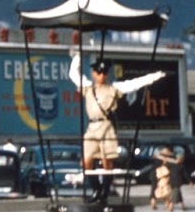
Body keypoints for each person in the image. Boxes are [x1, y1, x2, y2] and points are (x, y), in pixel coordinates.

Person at [67, 54, 166, 199]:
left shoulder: (114, 88)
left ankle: (105, 190)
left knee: (107, 160)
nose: (102, 75)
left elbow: (135, 83)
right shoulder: (88, 88)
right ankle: (96, 188)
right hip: (92, 126)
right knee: (86, 160)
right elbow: (73, 74)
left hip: (106, 126)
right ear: (94, 74)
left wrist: (154, 77)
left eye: (104, 72)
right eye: (99, 72)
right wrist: (78, 56)